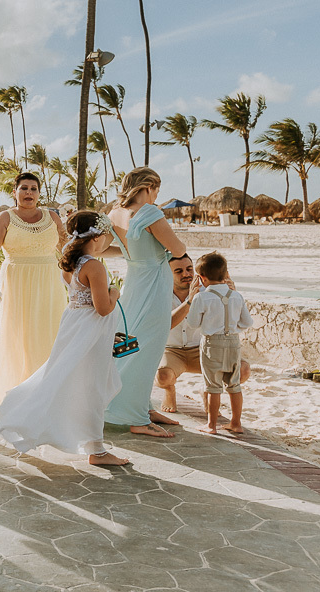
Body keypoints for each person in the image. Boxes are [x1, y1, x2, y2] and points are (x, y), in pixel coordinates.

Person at [0, 211, 129, 466]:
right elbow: (103, 308)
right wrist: (115, 292)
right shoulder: (95, 267)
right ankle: (97, 451)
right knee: (93, 386)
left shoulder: (72, 263)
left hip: (74, 325)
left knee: (78, 382)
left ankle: (93, 444)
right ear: (98, 236)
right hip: (91, 331)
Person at [104, 167, 188, 438]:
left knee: (130, 347)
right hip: (153, 286)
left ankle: (142, 407)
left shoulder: (114, 214)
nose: (156, 197)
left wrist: (134, 251)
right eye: (157, 190)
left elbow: (104, 248)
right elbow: (178, 250)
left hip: (134, 283)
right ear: (149, 186)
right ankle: (138, 419)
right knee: (148, 351)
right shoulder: (150, 213)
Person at [0, 172, 69, 408]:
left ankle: (50, 389)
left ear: (39, 193)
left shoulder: (53, 217)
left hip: (49, 280)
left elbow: (67, 248)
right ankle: (22, 389)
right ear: (15, 192)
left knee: (51, 330)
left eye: (34, 189)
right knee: (21, 333)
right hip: (17, 280)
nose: (29, 193)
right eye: (24, 188)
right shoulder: (4, 218)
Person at [157, 254, 251, 414]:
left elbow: (238, 320)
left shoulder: (211, 289)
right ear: (167, 273)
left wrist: (231, 294)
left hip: (203, 349)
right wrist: (190, 302)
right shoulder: (159, 293)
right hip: (171, 350)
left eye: (189, 269)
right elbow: (167, 325)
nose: (186, 274)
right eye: (178, 271)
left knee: (242, 369)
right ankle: (169, 391)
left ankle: (207, 390)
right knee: (163, 377)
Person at [191, 252, 255, 435]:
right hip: (234, 342)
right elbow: (247, 322)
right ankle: (236, 423)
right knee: (234, 384)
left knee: (213, 386)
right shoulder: (236, 296)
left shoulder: (201, 298)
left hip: (212, 344)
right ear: (226, 274)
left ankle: (211, 425)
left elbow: (193, 323)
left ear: (201, 278)